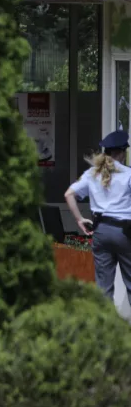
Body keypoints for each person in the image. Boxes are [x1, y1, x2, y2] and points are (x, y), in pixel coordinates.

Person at [65, 130, 131, 303]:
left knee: (103, 288)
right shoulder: (128, 174)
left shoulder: (92, 174)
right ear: (122, 153)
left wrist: (79, 219)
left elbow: (69, 194)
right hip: (125, 233)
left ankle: (105, 328)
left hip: (100, 231)